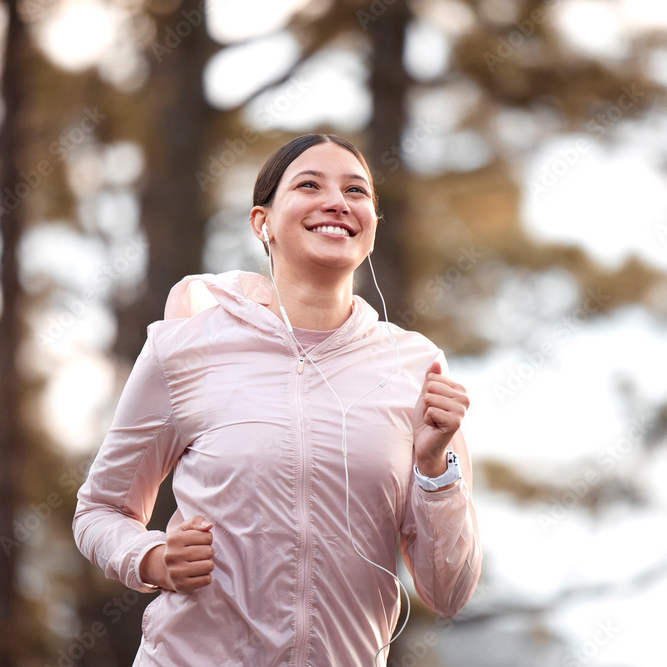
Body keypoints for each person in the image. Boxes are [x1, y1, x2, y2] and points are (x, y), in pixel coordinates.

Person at [73, 133, 482, 666]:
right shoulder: (185, 347)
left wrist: (434, 468)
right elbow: (99, 511)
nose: (337, 201)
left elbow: (447, 592)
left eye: (356, 191)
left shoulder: (414, 367)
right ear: (261, 223)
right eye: (309, 184)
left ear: (373, 229)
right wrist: (151, 558)